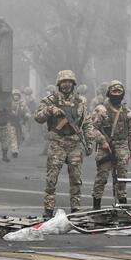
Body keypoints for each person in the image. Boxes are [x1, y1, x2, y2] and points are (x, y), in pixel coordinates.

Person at [34, 70, 101, 218]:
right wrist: (51, 111)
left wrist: (89, 142)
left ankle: (76, 209)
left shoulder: (80, 102)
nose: (66, 84)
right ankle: (48, 209)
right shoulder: (50, 101)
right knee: (51, 179)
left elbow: (87, 123)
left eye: (69, 82)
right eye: (63, 82)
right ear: (59, 84)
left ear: (73, 84)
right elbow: (38, 117)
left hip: (74, 144)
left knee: (76, 179)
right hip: (57, 143)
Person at [90, 80, 131, 209]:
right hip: (106, 148)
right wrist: (103, 141)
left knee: (122, 179)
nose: (116, 94)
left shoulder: (126, 111)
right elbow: (91, 128)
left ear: (123, 94)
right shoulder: (101, 109)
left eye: (119, 91)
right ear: (109, 93)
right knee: (102, 177)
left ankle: (123, 208)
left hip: (122, 147)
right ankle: (96, 207)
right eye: (114, 91)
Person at [7, 88, 30, 158]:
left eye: (17, 95)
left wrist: (26, 115)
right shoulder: (9, 104)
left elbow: (27, 112)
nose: (15, 96)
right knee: (13, 137)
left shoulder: (22, 104)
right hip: (12, 123)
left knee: (20, 138)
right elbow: (6, 112)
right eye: (14, 95)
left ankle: (16, 148)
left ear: (19, 96)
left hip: (20, 123)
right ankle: (14, 151)